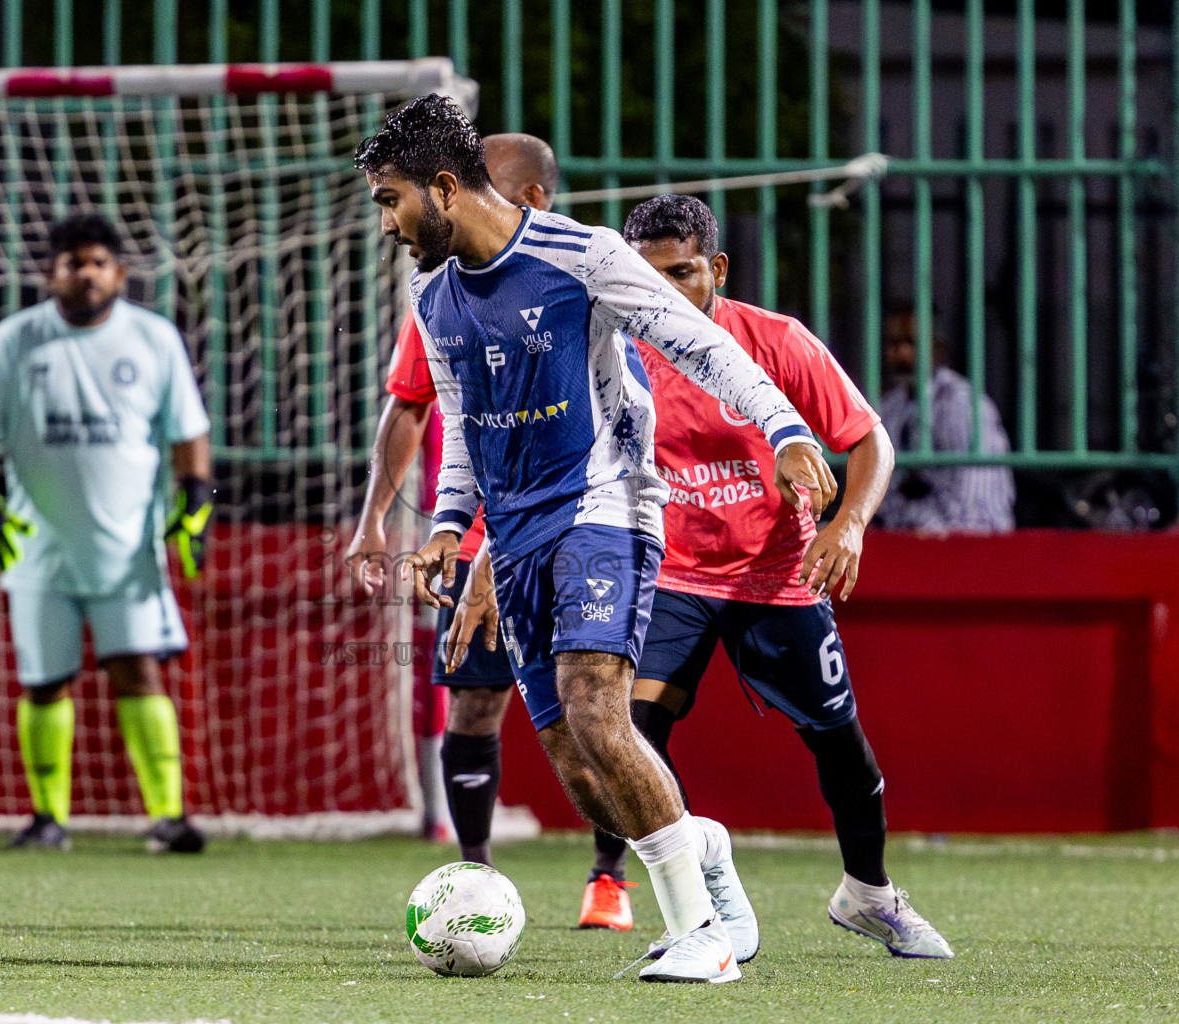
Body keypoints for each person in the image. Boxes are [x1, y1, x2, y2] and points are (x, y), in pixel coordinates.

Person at [356, 95, 836, 984]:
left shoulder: (582, 256)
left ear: (447, 187)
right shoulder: (432, 294)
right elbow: (465, 425)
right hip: (518, 534)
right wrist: (453, 529)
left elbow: (697, 344)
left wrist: (785, 428)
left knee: (592, 703)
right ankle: (702, 844)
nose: (387, 222)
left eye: (391, 200)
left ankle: (702, 935)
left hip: (607, 508)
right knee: (579, 767)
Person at [595, 194, 950, 959]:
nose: (664, 292)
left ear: (716, 269)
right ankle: (702, 904)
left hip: (775, 576)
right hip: (673, 575)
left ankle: (869, 893)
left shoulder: (776, 342)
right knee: (634, 735)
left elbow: (868, 440)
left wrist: (848, 523)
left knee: (839, 746)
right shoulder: (613, 349)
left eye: (682, 273)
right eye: (648, 275)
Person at [0, 213, 213, 854]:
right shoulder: (15, 340)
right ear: (50, 274)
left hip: (129, 547)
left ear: (119, 272)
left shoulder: (153, 339)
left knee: (139, 670)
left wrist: (195, 502)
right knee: (45, 680)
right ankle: (48, 819)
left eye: (99, 261)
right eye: (74, 263)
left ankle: (169, 816)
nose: (87, 273)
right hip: (37, 544)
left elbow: (189, 432)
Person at [344, 133, 561, 868]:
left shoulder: (580, 276)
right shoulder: (436, 296)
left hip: (584, 526)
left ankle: (616, 876)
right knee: (473, 703)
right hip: (475, 539)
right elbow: (410, 406)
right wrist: (376, 519)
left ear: (528, 198)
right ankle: (474, 875)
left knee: (602, 712)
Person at [875, 303, 1015, 532]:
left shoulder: (962, 405)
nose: (901, 353)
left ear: (938, 348)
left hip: (968, 544)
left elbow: (975, 506)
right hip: (910, 540)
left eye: (912, 343)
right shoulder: (890, 408)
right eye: (893, 343)